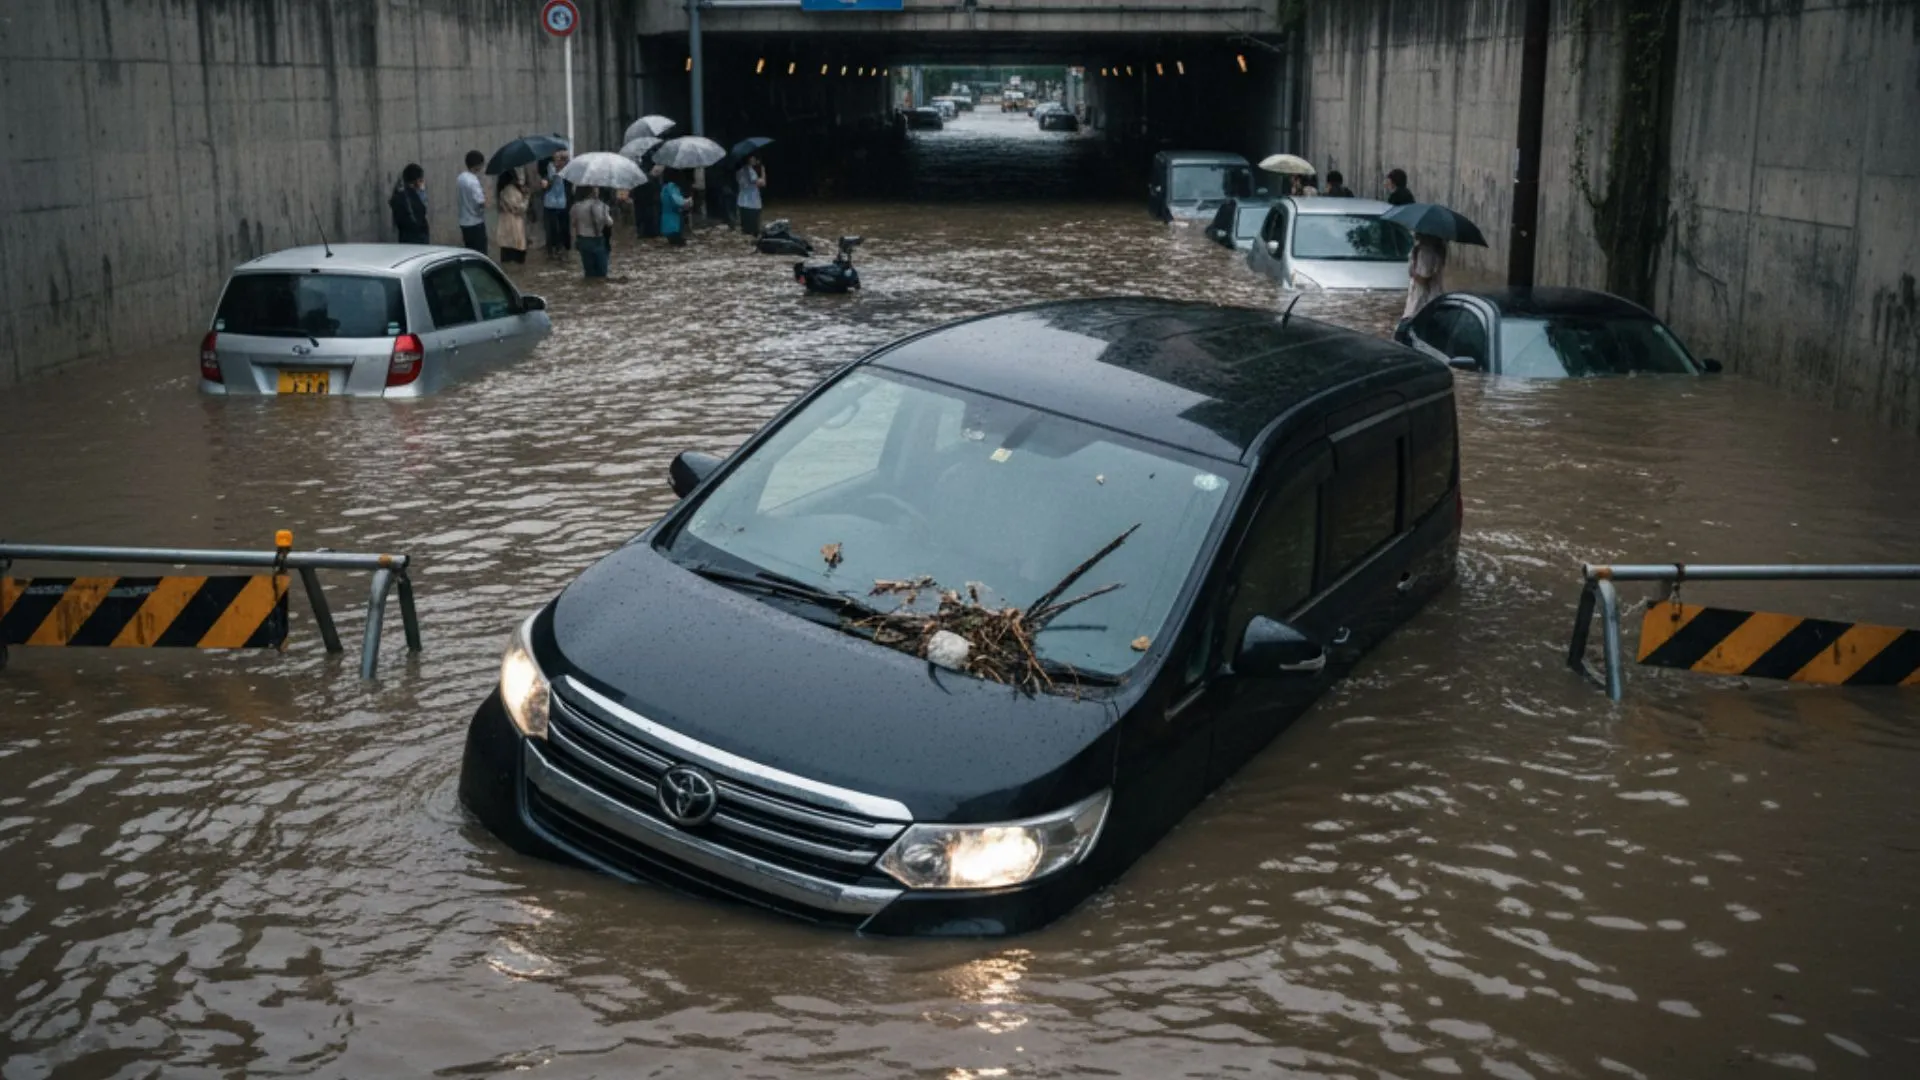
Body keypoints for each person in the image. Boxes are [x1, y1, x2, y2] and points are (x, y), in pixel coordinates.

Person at [1400, 232, 1448, 333]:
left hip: (1422, 302)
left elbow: (1424, 279)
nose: (1414, 232)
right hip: (1430, 298)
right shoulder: (1433, 249)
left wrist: (1412, 272)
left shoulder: (1426, 251)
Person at [571, 186, 614, 278]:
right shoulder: (602, 206)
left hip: (583, 241)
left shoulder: (576, 207)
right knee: (601, 273)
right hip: (597, 241)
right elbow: (609, 223)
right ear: (594, 191)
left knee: (589, 273)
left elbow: (573, 223)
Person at [540, 150, 572, 259]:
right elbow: (544, 184)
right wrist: (549, 180)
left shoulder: (568, 170)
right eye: (558, 159)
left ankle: (563, 249)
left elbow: (570, 186)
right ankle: (552, 250)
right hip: (550, 204)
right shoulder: (549, 169)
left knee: (564, 229)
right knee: (552, 229)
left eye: (563, 160)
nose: (560, 162)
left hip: (563, 204)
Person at [456, 150, 488, 254]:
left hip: (464, 222)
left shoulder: (460, 178)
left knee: (470, 252)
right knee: (480, 252)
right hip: (476, 223)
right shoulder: (473, 181)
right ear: (478, 165)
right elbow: (481, 202)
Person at [389, 163, 429, 244]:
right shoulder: (410, 197)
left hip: (405, 236)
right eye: (421, 180)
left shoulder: (399, 194)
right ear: (416, 181)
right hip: (416, 237)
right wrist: (422, 194)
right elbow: (420, 214)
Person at [496, 169, 529, 263]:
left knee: (506, 256)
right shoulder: (510, 190)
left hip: (505, 226)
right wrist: (526, 197)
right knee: (517, 256)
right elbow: (518, 209)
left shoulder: (502, 190)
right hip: (514, 226)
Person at [735, 154, 766, 236]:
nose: (755, 160)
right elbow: (762, 183)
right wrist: (763, 171)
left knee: (745, 227)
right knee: (754, 228)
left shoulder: (740, 171)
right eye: (753, 158)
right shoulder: (748, 170)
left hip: (743, 201)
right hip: (751, 202)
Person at [660, 170, 691, 247]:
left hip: (667, 216)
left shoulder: (665, 187)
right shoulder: (672, 187)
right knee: (677, 239)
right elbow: (678, 200)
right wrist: (687, 201)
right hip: (673, 218)